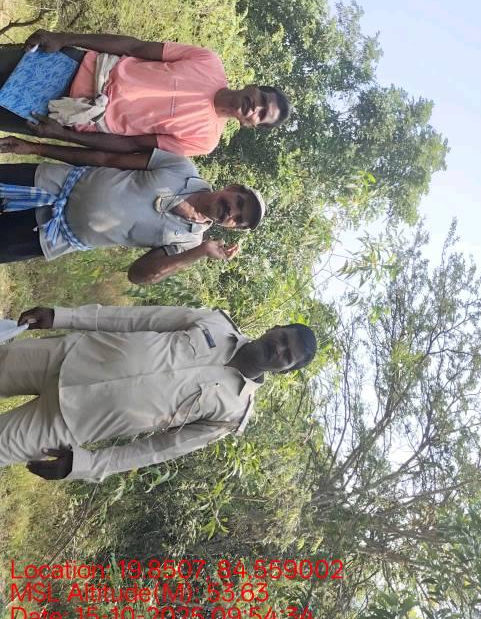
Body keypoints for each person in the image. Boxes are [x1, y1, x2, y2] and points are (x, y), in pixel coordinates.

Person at [0, 303, 317, 482]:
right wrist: (62, 316)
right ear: (275, 329)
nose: (279, 349)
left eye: (287, 355)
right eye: (283, 339)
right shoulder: (216, 323)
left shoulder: (233, 413)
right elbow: (136, 318)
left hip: (69, 422)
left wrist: (85, 465)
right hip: (67, 356)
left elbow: (158, 449)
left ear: (285, 370)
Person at [0, 135, 266, 284]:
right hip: (47, 182)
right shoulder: (182, 168)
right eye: (239, 203)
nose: (232, 213)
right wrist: (36, 146)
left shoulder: (189, 241)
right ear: (233, 187)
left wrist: (200, 252)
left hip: (48, 235)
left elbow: (138, 275)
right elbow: (106, 158)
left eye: (238, 220)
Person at [0, 30, 291, 156]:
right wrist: (64, 38)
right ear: (254, 87)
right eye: (263, 100)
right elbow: (135, 47)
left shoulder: (204, 141)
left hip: (65, 114)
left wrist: (61, 135)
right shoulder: (208, 62)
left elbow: (131, 145)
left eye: (262, 115)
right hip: (75, 65)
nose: (256, 108)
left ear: (251, 124)